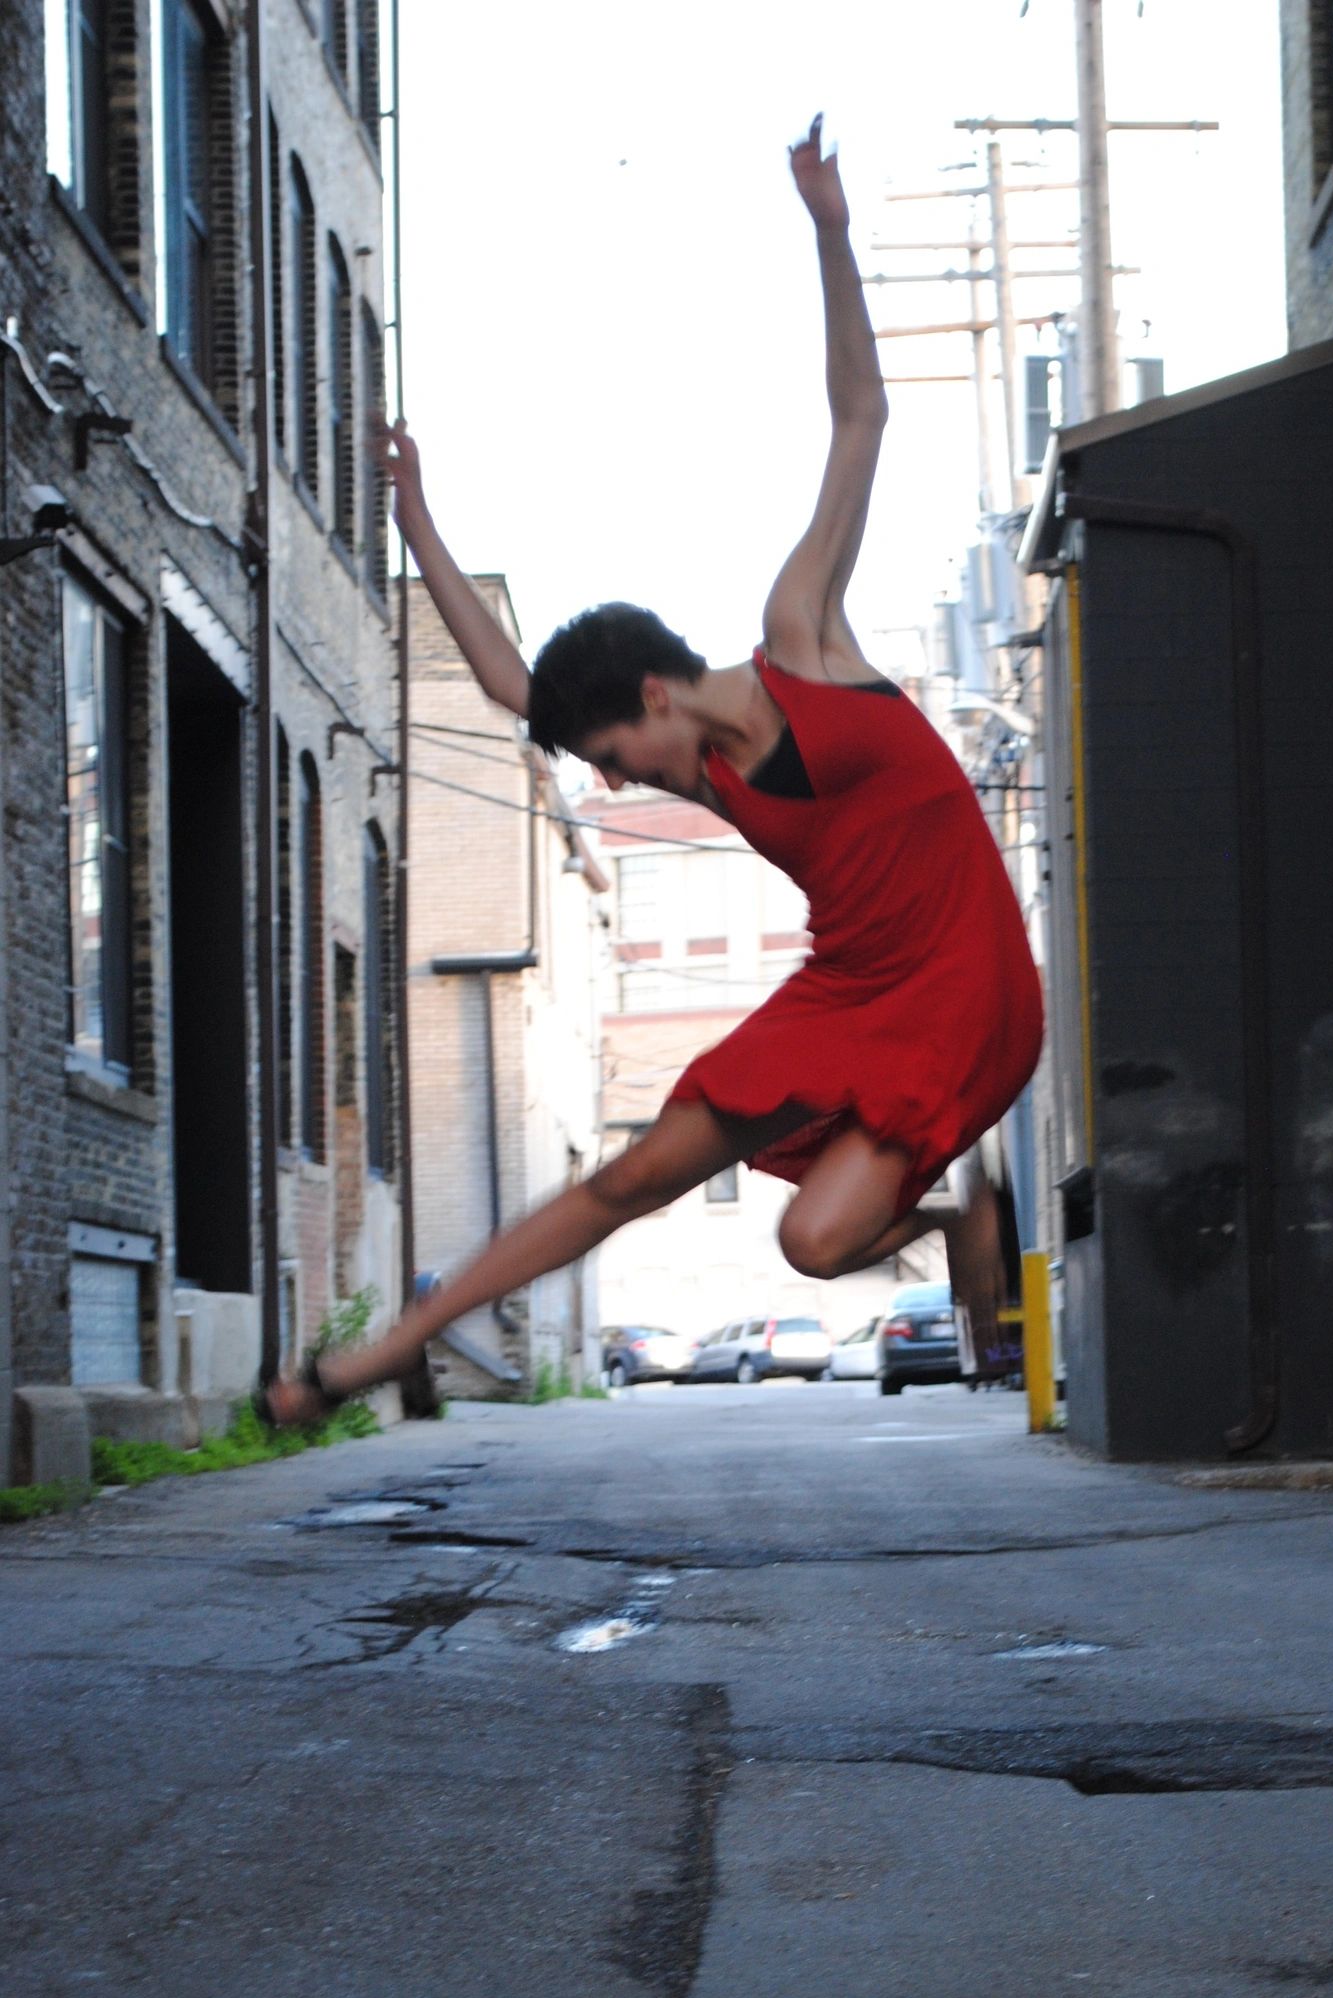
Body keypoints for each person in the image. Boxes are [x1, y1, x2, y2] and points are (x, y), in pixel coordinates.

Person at [265, 115, 1042, 1428]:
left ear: (656, 692)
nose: (615, 786)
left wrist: (830, 231)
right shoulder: (702, 770)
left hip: (969, 982)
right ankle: (382, 1351)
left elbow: (860, 415)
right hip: (848, 990)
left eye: (613, 756)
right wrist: (419, 527)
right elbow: (519, 692)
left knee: (808, 1241)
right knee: (632, 1189)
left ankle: (956, 1216)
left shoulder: (804, 635)